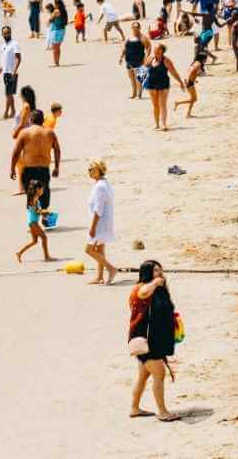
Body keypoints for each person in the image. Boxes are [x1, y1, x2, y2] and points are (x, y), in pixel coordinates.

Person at [128, 260, 179, 422]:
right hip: (146, 341)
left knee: (143, 376)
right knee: (159, 374)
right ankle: (163, 412)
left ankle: (134, 408)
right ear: (148, 272)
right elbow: (142, 293)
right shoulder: (141, 287)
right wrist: (155, 282)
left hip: (154, 339)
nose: (160, 273)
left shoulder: (159, 289)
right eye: (156, 270)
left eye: (160, 270)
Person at [85, 159, 118, 285]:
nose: (89, 171)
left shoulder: (99, 187)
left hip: (99, 224)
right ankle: (99, 277)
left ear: (99, 170)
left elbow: (98, 210)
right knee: (100, 250)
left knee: (88, 249)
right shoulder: (104, 183)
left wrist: (92, 228)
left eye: (92, 169)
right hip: (104, 222)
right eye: (89, 169)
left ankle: (111, 269)